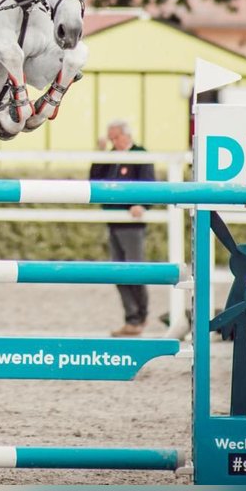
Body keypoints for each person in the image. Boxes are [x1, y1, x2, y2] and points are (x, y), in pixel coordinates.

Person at [89, 120, 156, 336]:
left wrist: (142, 205)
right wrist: (99, 154)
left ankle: (140, 316)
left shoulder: (140, 154)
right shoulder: (110, 156)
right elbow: (95, 179)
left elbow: (150, 184)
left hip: (132, 223)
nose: (113, 142)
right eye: (111, 138)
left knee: (134, 270)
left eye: (115, 138)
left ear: (127, 136)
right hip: (114, 220)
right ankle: (132, 317)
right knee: (118, 273)